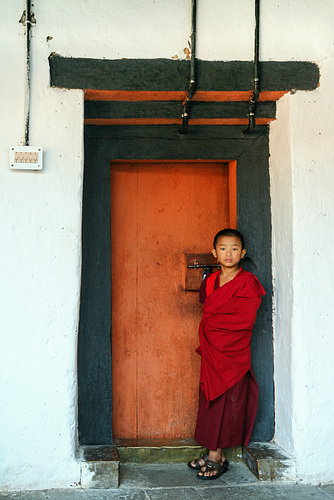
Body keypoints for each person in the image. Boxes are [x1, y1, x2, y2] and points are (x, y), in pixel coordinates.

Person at [188, 228, 265, 480]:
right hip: (212, 349)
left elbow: (245, 319)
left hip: (232, 352)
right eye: (222, 248)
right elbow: (209, 310)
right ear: (214, 252)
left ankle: (215, 456)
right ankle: (215, 452)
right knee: (210, 398)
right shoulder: (210, 281)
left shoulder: (248, 282)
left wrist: (222, 334)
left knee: (226, 400)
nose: (228, 253)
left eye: (234, 248)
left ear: (242, 253)